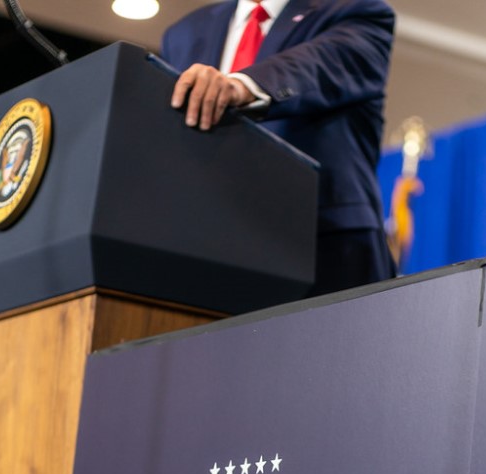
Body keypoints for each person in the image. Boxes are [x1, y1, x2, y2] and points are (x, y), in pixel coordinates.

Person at [161, 0, 397, 296]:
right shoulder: (184, 31)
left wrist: (241, 86)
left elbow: (319, 66)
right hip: (204, 246)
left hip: (323, 247)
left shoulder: (355, 10)